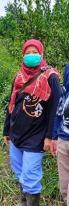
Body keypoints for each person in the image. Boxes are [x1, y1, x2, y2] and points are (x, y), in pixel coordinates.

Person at [3, 39, 61, 206]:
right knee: (19, 172)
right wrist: (6, 131)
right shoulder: (19, 76)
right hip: (16, 135)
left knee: (31, 177)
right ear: (22, 56)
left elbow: (55, 109)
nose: (31, 56)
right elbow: (11, 104)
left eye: (34, 52)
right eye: (27, 53)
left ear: (41, 54)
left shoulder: (50, 77)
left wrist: (50, 136)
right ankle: (23, 202)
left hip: (36, 137)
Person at [52, 64, 69, 206]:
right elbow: (57, 115)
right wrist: (54, 137)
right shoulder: (64, 92)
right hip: (63, 139)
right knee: (64, 182)